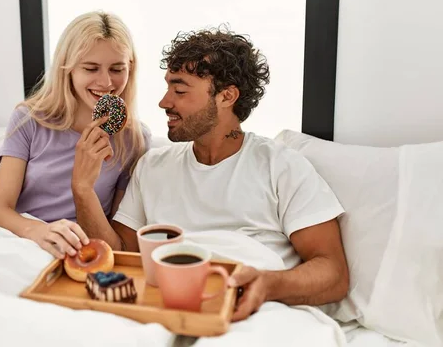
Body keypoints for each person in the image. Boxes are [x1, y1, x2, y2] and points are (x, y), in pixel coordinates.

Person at [75, 26, 350, 321]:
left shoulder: (281, 166)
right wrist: (82, 189)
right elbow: (118, 257)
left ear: (227, 96)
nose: (164, 102)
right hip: (167, 308)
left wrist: (269, 284)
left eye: (180, 90)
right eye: (168, 87)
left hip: (254, 311)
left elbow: (333, 274)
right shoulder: (152, 166)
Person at [0, 11, 149, 260]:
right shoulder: (29, 119)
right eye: (91, 68)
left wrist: (83, 186)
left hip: (83, 249)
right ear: (68, 68)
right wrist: (39, 231)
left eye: (117, 69)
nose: (106, 82)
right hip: (24, 241)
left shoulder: (134, 139)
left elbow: (115, 239)